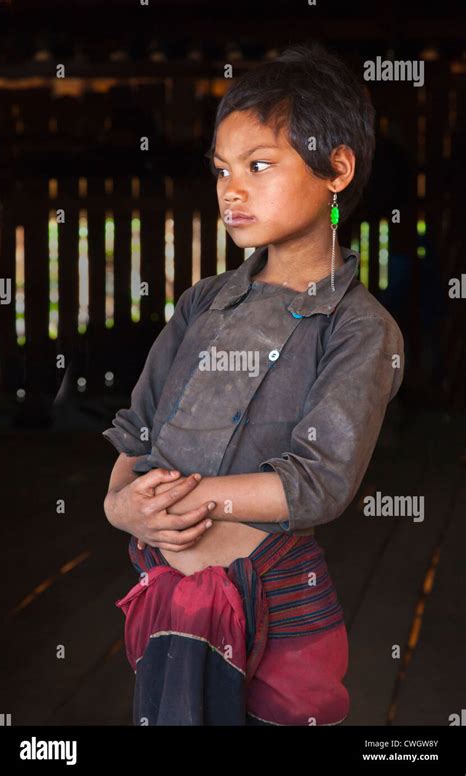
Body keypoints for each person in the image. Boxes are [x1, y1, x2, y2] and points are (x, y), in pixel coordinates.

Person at [102, 40, 404, 726]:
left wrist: (186, 500)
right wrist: (121, 506)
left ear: (337, 169)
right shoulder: (202, 305)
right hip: (164, 602)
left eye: (259, 166)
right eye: (222, 171)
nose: (231, 190)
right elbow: (138, 428)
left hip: (279, 613)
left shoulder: (358, 329)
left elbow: (317, 480)